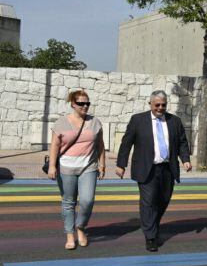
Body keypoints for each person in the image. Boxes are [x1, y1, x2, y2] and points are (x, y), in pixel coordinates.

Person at [116, 90, 192, 252]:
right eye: (157, 105)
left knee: (163, 201)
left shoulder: (175, 121)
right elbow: (126, 143)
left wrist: (185, 159)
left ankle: (152, 225)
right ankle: (150, 237)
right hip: (146, 168)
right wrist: (121, 164)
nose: (160, 108)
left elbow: (182, 143)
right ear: (150, 104)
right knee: (148, 202)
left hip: (167, 169)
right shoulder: (138, 120)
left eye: (163, 105)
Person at [47, 90, 105, 250]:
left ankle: (80, 227)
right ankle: (70, 234)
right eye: (81, 103)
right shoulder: (61, 123)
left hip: (89, 167)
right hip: (66, 168)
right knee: (68, 202)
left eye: (87, 103)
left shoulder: (95, 122)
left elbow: (100, 145)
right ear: (73, 104)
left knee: (87, 200)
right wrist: (52, 166)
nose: (85, 106)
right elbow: (54, 146)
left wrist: (102, 164)